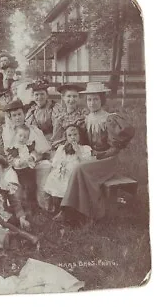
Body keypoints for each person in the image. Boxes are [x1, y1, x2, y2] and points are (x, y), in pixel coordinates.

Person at [53, 82, 135, 224]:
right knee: (74, 167)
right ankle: (73, 210)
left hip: (108, 159)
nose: (92, 103)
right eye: (89, 100)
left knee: (80, 168)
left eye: (95, 99)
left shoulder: (110, 118)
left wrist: (97, 156)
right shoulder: (86, 119)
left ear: (102, 100)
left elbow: (115, 148)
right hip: (92, 157)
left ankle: (88, 213)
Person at [2, 99, 51, 215]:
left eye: (19, 114)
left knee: (32, 182)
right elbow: (6, 152)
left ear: (24, 114)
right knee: (12, 181)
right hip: (13, 164)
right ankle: (17, 207)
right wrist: (13, 161)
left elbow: (41, 150)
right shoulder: (6, 132)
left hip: (30, 164)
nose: (17, 118)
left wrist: (32, 158)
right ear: (10, 117)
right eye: (14, 115)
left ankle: (35, 205)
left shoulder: (32, 130)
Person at [43, 124, 95, 213]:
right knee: (54, 181)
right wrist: (60, 166)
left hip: (75, 174)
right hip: (61, 172)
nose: (73, 137)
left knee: (68, 183)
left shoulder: (85, 148)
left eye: (75, 134)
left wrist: (78, 152)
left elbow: (86, 164)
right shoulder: (61, 148)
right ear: (66, 138)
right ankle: (58, 207)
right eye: (70, 135)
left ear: (80, 136)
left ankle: (67, 209)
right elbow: (55, 162)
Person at [51, 82, 88, 147]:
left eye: (75, 96)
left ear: (78, 97)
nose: (72, 99)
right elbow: (56, 138)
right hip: (63, 147)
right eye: (69, 96)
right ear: (63, 97)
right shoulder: (59, 116)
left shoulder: (83, 114)